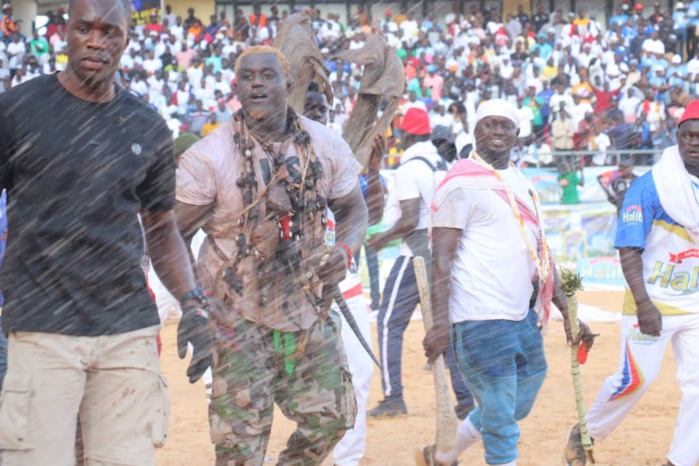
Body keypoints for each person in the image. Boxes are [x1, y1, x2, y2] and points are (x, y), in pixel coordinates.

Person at [0, 0, 212, 465]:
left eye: (109, 31)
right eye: (84, 29)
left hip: (126, 332)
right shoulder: (16, 111)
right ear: (66, 32)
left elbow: (161, 227)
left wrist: (193, 302)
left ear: (127, 39)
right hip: (42, 330)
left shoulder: (148, 126)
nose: (96, 41)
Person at [174, 45, 367, 465]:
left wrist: (345, 249)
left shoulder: (325, 143)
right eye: (248, 77)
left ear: (289, 84)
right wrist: (194, 306)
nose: (257, 83)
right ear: (237, 87)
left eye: (268, 75)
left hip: (309, 308)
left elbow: (354, 209)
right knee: (240, 446)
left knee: (334, 417)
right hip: (236, 317)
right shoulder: (209, 156)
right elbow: (172, 233)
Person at [422, 99, 593, 466]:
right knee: (501, 419)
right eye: (490, 124)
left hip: (521, 315)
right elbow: (442, 261)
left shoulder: (521, 181)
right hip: (478, 317)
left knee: (520, 397)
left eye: (506, 126)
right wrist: (438, 325)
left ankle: (443, 454)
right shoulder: (459, 184)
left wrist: (568, 312)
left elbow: (540, 255)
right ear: (475, 130)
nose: (498, 132)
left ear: (517, 134)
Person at [565, 100, 699, 466]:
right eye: (688, 135)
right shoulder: (651, 187)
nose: (695, 142)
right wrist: (644, 304)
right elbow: (628, 249)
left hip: (695, 304)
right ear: (677, 138)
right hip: (652, 301)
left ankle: (682, 460)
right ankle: (584, 434)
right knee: (635, 380)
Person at [367, 108, 474, 420]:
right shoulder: (442, 165)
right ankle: (466, 400)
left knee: (389, 323)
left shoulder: (410, 168)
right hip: (446, 253)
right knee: (448, 326)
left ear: (405, 135)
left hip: (416, 253)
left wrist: (382, 238)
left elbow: (411, 218)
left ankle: (393, 397)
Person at [302, 82, 380, 466]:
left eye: (323, 108)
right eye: (309, 106)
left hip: (344, 287)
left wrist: (376, 170)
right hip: (293, 296)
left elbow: (371, 216)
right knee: (298, 388)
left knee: (359, 377)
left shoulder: (342, 158)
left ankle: (347, 461)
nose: (318, 113)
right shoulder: (269, 159)